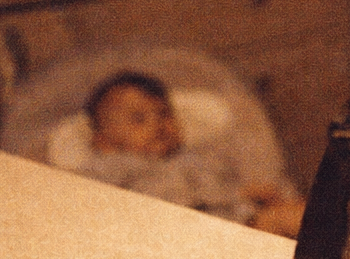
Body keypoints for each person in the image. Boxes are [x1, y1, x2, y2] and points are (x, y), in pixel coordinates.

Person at [80, 72, 307, 238]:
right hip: (187, 237)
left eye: (164, 114)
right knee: (283, 220)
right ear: (104, 142)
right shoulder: (113, 166)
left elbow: (235, 181)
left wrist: (267, 195)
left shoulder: (197, 156)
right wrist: (240, 194)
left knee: (300, 210)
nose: (158, 124)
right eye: (139, 119)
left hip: (237, 226)